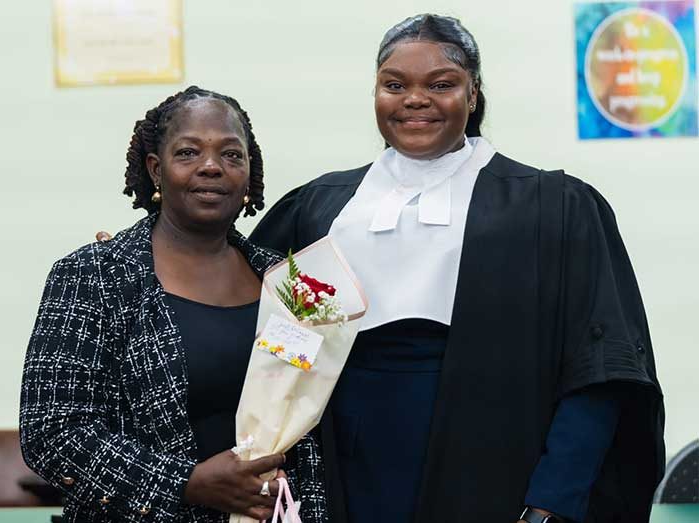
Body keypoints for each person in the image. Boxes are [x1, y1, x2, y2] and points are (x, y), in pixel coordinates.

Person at [250, 14, 664, 523]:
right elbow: (259, 340)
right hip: (345, 472)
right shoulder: (319, 208)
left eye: (441, 84)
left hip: (498, 470)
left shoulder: (553, 208)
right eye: (394, 85)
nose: (415, 99)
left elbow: (600, 369)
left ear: (473, 95)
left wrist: (556, 499)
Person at [20, 86, 327, 523]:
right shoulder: (95, 276)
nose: (211, 167)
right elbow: (53, 433)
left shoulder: (286, 283)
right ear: (155, 169)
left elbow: (309, 423)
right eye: (187, 153)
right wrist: (188, 483)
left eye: (231, 155)